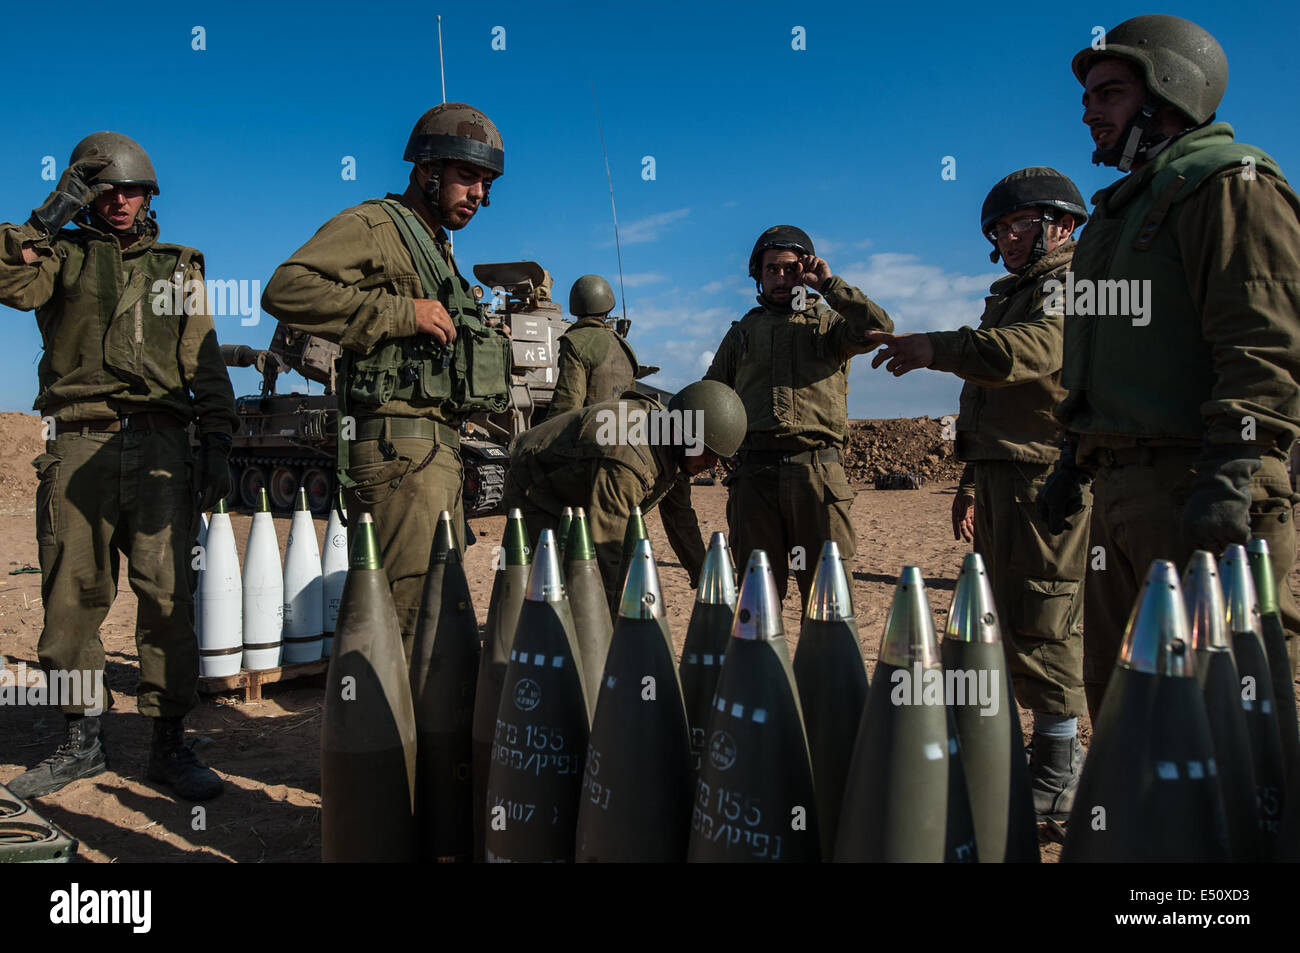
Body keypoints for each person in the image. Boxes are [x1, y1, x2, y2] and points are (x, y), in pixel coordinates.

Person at [1037, 14, 1300, 716]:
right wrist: (1073, 456)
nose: (1089, 110)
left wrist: (1234, 470)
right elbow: (1098, 359)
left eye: (1110, 92)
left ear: (1168, 92)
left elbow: (1263, 340)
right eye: (1089, 96)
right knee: (1129, 719)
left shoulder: (1228, 183)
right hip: (1122, 496)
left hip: (1201, 490)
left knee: (1225, 729)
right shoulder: (1117, 216)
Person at [0, 132, 238, 801]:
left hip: (163, 442)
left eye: (135, 190)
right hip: (78, 442)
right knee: (71, 602)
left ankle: (168, 743)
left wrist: (217, 440)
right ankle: (81, 741)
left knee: (168, 601)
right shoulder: (58, 259)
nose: (124, 200)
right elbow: (8, 282)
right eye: (109, 189)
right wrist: (45, 217)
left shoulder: (175, 267)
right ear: (87, 192)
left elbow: (203, 359)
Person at [865, 168, 1091, 822]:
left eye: (1019, 225)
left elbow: (1031, 353)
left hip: (1045, 472)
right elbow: (994, 397)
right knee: (1005, 610)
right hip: (1000, 472)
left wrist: (937, 347)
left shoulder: (1071, 287)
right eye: (1000, 229)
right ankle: (1033, 750)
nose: (1008, 238)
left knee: (1048, 608)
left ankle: (1058, 764)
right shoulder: (1014, 293)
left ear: (1062, 224)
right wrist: (969, 478)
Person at [262, 103, 512, 658]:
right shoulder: (376, 225)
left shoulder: (437, 250)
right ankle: (392, 739)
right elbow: (285, 289)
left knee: (439, 608)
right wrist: (402, 314)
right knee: (408, 617)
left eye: (485, 183)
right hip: (397, 448)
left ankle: (430, 737)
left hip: (438, 450)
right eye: (467, 176)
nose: (477, 194)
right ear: (428, 170)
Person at [704, 226, 894, 602]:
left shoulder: (829, 326)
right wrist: (715, 447)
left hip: (817, 476)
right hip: (754, 476)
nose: (780, 277)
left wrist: (829, 284)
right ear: (757, 274)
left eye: (790, 268)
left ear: (805, 271)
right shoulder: (742, 333)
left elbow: (879, 328)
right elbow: (712, 394)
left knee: (829, 600)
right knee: (757, 601)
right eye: (770, 268)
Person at [503, 380, 746, 603]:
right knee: (553, 589)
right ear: (686, 435)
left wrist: (704, 577)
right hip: (535, 488)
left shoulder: (673, 446)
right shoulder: (629, 462)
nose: (712, 465)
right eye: (708, 453)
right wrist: (624, 614)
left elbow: (680, 519)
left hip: (578, 495)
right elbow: (610, 547)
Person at [548, 274, 706, 585]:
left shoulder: (575, 342)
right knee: (657, 520)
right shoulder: (624, 348)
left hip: (590, 452)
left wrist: (546, 449)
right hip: (631, 443)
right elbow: (631, 401)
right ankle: (703, 575)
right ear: (608, 306)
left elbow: (566, 407)